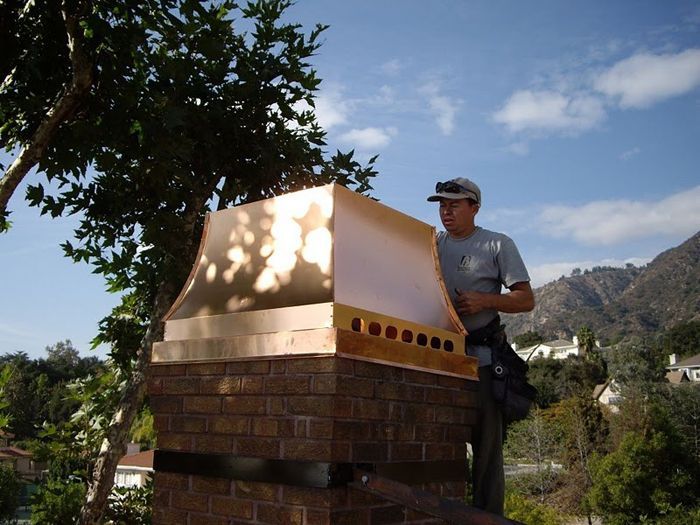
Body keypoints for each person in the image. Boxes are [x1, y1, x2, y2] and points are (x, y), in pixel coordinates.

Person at [427, 177, 534, 516]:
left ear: (474, 207)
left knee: (487, 455)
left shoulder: (497, 244)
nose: (447, 211)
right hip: (440, 360)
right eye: (442, 205)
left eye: (454, 204)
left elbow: (526, 299)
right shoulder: (431, 244)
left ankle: (488, 519)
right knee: (442, 446)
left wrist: (485, 300)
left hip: (483, 363)